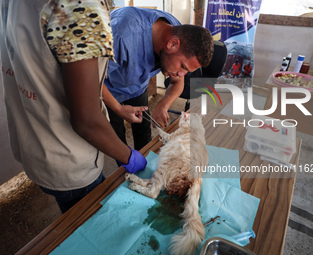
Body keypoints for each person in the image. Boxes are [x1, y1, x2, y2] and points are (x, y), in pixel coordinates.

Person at [0, 0, 147, 213]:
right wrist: (129, 157)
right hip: (69, 158)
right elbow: (86, 121)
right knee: (94, 228)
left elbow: (71, 72)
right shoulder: (84, 7)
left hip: (34, 145)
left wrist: (116, 107)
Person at [103, 7, 214, 151]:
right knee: (115, 136)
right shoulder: (120, 36)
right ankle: (124, 169)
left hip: (137, 86)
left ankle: (144, 165)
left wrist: (163, 105)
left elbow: (177, 82)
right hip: (107, 87)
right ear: (172, 44)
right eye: (183, 66)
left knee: (143, 129)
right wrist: (118, 108)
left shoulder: (176, 31)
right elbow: (92, 81)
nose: (182, 74)